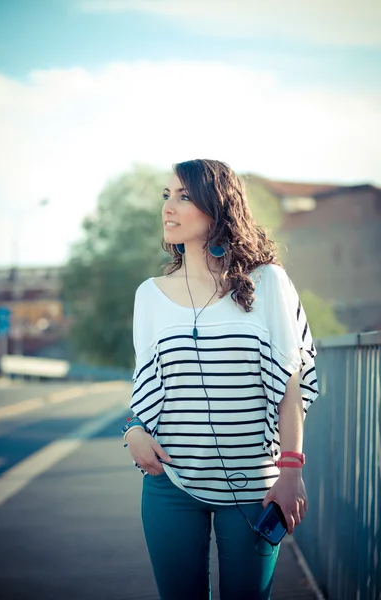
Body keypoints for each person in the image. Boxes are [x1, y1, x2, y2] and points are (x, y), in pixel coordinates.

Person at [123, 159, 319, 600]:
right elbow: (147, 389)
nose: (168, 208)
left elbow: (291, 382)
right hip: (169, 483)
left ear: (218, 207)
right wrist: (133, 431)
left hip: (254, 485)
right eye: (166, 196)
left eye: (184, 196)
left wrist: (291, 470)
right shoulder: (148, 295)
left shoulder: (268, 282)